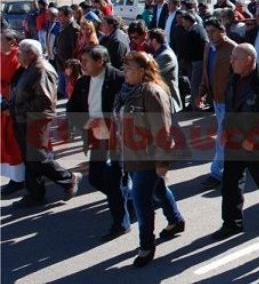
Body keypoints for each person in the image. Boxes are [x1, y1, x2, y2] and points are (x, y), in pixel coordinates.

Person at [114, 51, 184, 267]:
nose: (125, 72)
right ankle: (175, 220)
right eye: (124, 67)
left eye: (130, 69)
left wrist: (163, 162)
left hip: (147, 156)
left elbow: (162, 130)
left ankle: (146, 245)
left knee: (141, 199)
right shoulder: (127, 91)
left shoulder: (152, 93)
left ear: (144, 71)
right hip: (131, 154)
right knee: (158, 190)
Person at [212, 44, 259, 240]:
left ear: (249, 61)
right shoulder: (233, 79)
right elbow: (229, 107)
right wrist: (224, 130)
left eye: (236, 58)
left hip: (254, 143)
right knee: (230, 183)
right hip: (235, 140)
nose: (231, 61)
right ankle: (232, 223)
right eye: (232, 57)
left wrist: (253, 138)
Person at [7, 39, 81, 208]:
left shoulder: (41, 70)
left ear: (31, 54)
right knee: (30, 159)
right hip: (23, 118)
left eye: (20, 53)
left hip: (35, 120)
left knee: (38, 158)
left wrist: (17, 108)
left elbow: (44, 101)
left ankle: (69, 179)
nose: (17, 56)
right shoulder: (31, 68)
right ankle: (35, 194)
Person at [66, 45, 129, 241]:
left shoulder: (119, 79)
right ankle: (126, 198)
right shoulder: (83, 82)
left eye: (86, 61)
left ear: (100, 61)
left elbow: (131, 108)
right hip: (96, 137)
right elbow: (71, 108)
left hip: (118, 138)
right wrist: (83, 122)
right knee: (95, 178)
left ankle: (121, 222)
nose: (82, 64)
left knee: (113, 180)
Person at [197, 18, 237, 190]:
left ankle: (216, 173)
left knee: (222, 136)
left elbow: (239, 77)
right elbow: (206, 73)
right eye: (207, 31)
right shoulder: (208, 47)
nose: (210, 35)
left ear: (222, 31)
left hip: (229, 101)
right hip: (216, 100)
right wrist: (200, 94)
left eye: (213, 31)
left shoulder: (233, 49)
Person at [0, 30, 24, 196]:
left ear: (12, 42)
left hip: (13, 108)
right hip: (4, 106)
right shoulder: (3, 55)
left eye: (1, 40)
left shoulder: (18, 58)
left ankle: (18, 179)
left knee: (13, 143)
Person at [148, 29, 182, 114]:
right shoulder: (159, 53)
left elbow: (151, 72)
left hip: (168, 101)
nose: (147, 42)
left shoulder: (166, 55)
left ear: (154, 40)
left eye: (148, 40)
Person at [180, 12, 209, 110]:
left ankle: (194, 105)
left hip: (197, 61)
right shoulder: (199, 28)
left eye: (184, 22)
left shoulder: (194, 31)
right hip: (198, 61)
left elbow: (191, 48)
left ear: (189, 21)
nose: (183, 25)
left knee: (195, 84)